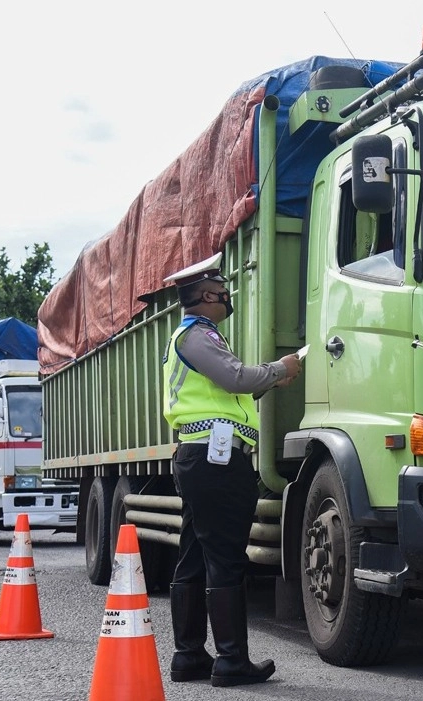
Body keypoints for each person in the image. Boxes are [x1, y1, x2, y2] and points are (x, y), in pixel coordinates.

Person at [160, 252, 301, 687]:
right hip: (215, 460)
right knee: (225, 558)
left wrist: (270, 381)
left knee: (195, 557)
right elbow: (237, 378)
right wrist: (282, 367)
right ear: (206, 295)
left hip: (202, 456)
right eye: (223, 290)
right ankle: (231, 662)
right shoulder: (199, 335)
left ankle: (189, 657)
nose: (228, 296)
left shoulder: (193, 338)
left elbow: (233, 393)